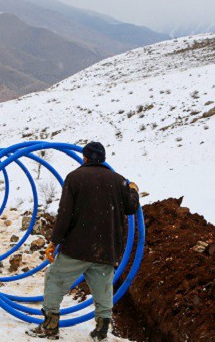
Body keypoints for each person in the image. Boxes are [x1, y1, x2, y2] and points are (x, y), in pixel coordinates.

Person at [27, 142, 140, 340]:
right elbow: (131, 208)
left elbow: (65, 214)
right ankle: (102, 330)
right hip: (106, 248)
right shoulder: (119, 180)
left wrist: (55, 241)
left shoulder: (75, 177)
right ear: (103, 159)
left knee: (54, 278)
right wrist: (133, 190)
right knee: (103, 289)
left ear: (85, 158)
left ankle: (50, 325)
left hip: (79, 246)